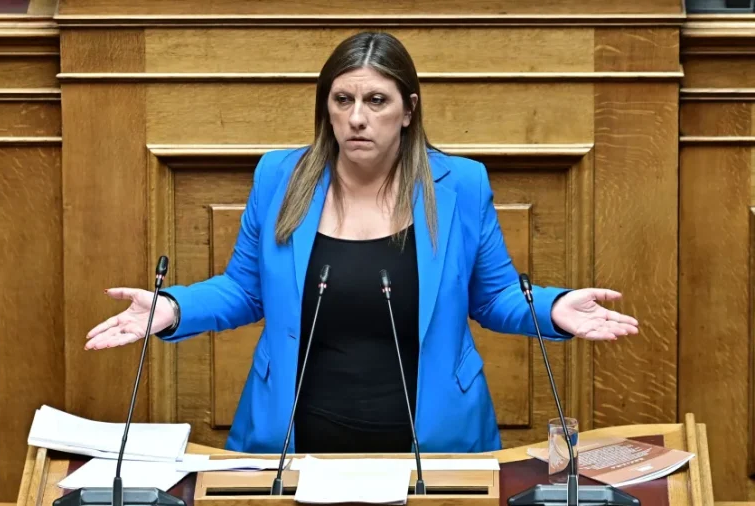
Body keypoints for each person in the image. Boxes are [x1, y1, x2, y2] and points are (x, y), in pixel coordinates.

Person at [84, 31, 638, 455]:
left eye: (376, 100)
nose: (356, 118)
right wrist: (173, 308)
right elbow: (244, 290)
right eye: (342, 99)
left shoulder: (460, 185)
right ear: (325, 107)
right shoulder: (280, 178)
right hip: (293, 444)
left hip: (435, 445)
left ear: (408, 110)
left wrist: (554, 308)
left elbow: (494, 297)